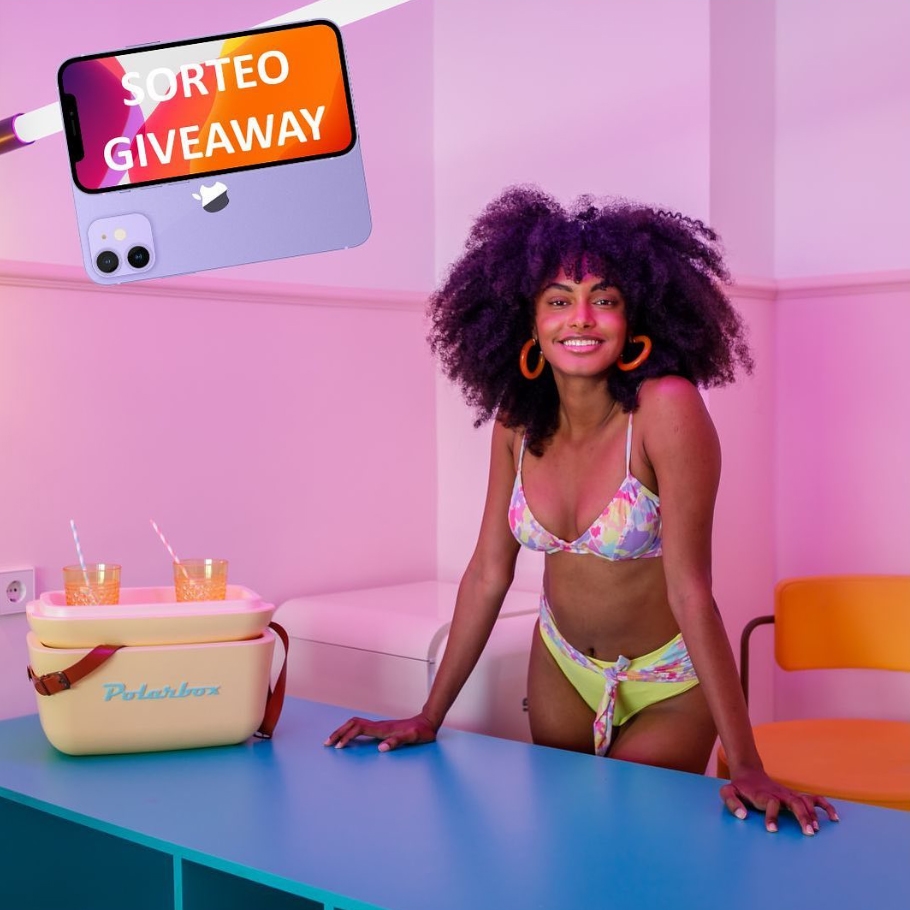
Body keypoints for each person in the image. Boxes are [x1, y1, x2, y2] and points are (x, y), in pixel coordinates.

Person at [326, 185, 838, 835]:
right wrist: (429, 716)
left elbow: (691, 592)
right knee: (568, 847)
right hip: (561, 664)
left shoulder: (666, 409)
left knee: (630, 843)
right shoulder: (518, 422)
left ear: (635, 317)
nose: (582, 319)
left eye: (606, 300)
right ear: (529, 321)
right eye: (559, 300)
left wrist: (747, 764)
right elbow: (487, 572)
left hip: (666, 678)